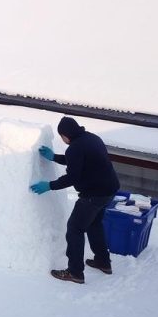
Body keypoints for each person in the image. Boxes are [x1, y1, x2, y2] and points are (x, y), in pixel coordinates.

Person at [30, 117, 120, 284]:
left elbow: (72, 176)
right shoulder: (92, 138)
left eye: (61, 137)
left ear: (65, 135)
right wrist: (54, 157)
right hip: (110, 190)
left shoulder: (75, 148)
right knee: (94, 224)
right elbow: (79, 160)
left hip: (93, 195)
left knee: (75, 228)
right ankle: (103, 261)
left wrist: (50, 185)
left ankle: (75, 272)